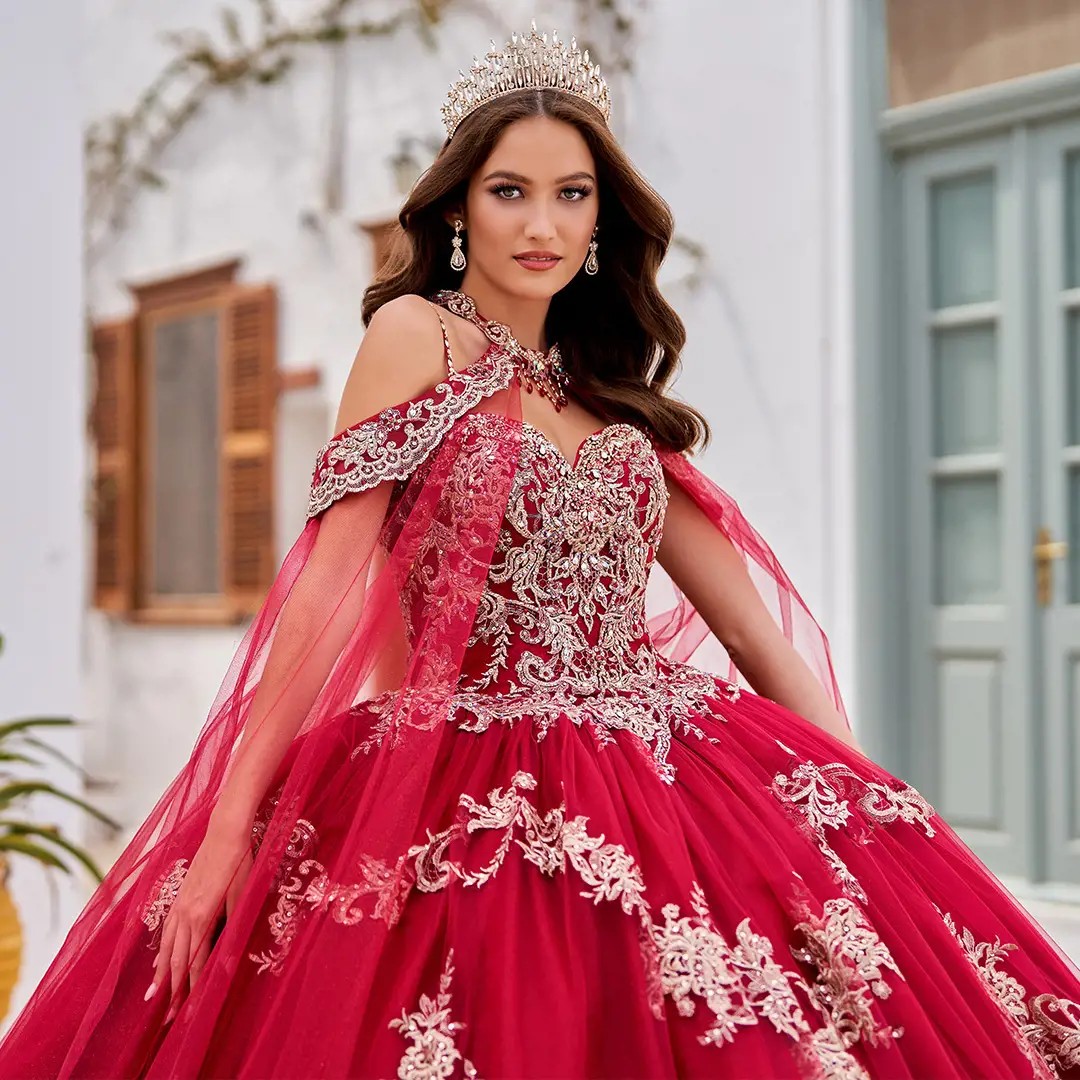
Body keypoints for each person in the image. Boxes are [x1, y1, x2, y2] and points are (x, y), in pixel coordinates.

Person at [2, 22, 1079, 1080]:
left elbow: (752, 630)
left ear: (603, 218)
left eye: (573, 193)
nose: (543, 222)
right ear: (461, 207)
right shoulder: (416, 336)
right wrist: (229, 828)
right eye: (510, 189)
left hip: (662, 770)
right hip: (462, 783)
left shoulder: (613, 398)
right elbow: (327, 588)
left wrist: (856, 807)